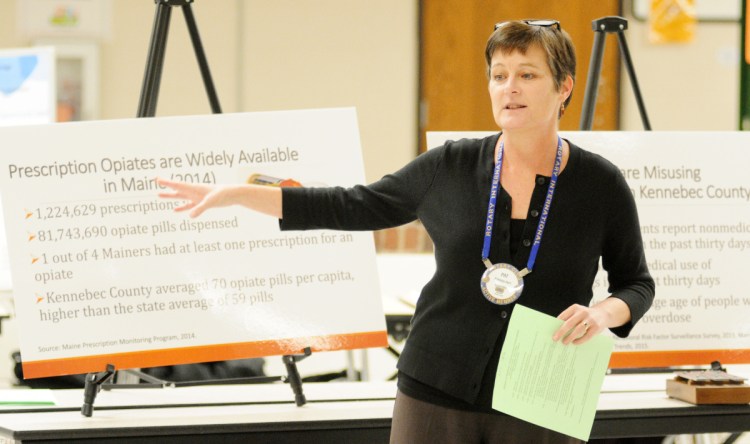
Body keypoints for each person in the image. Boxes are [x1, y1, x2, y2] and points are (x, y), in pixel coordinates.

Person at [158, 19, 654, 444]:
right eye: (499, 75)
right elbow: (354, 204)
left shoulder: (600, 183)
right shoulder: (451, 165)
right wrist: (243, 194)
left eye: (527, 75)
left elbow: (637, 283)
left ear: (564, 86)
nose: (510, 88)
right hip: (436, 387)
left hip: (544, 391)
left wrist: (602, 312)